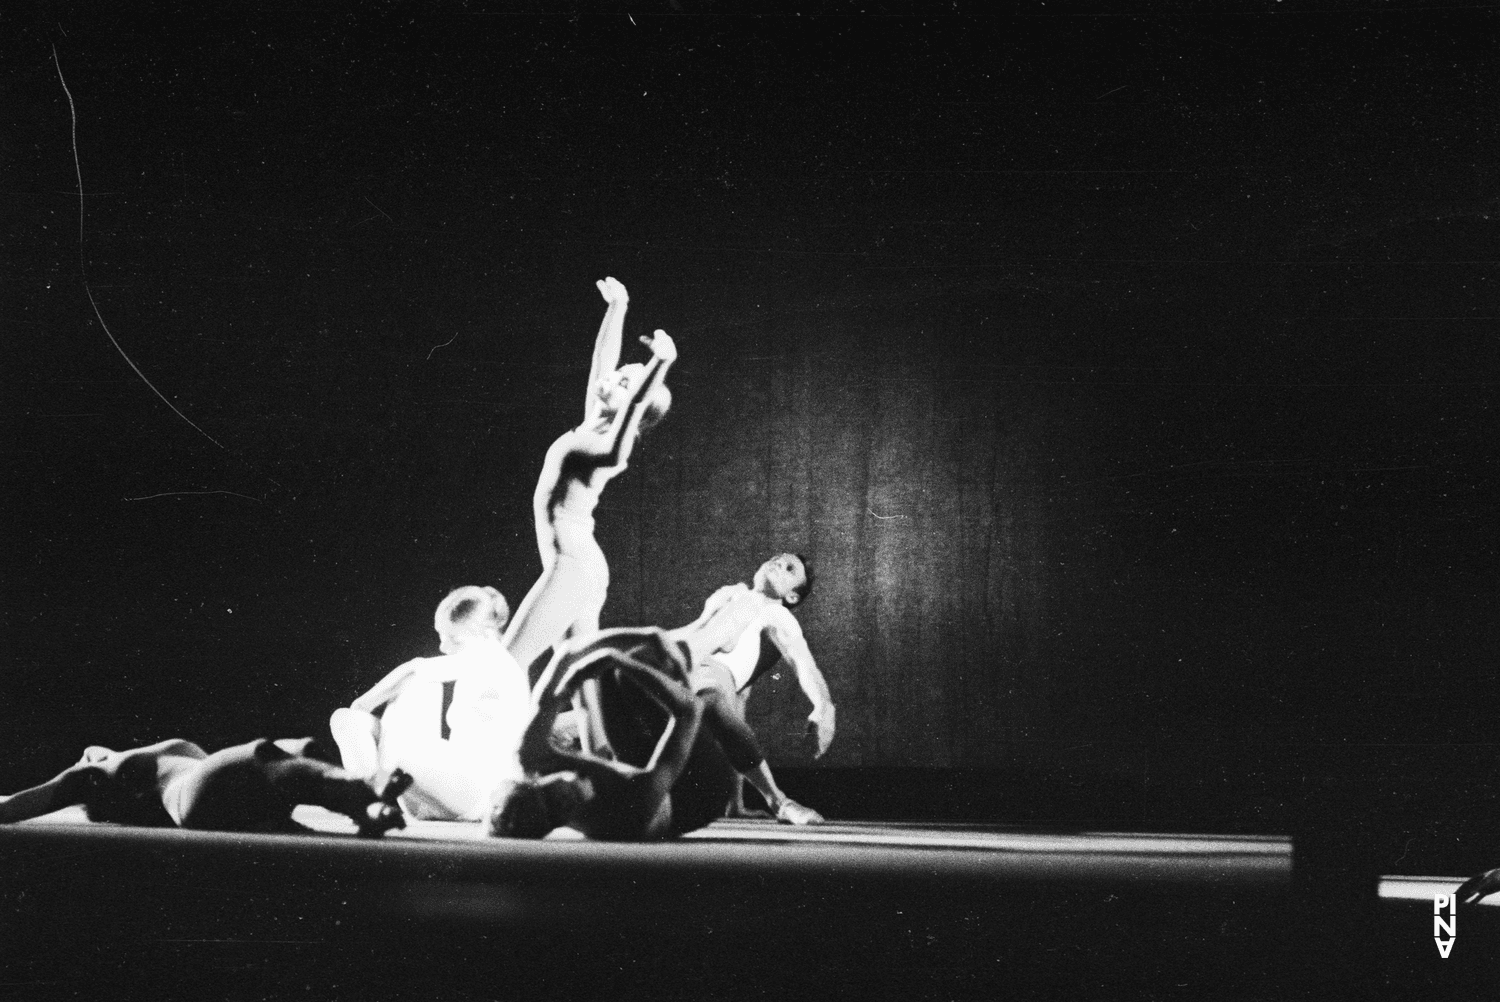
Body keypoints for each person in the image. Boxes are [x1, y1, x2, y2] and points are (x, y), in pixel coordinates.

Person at [489, 627, 816, 841]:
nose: (567, 793)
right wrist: (620, 660)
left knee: (610, 675)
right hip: (696, 796)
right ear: (560, 823)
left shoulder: (530, 755)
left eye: (551, 791)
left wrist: (644, 636)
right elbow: (689, 710)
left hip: (639, 768)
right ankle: (780, 800)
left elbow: (565, 657)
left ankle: (632, 661)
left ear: (534, 779)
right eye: (563, 807)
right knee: (709, 701)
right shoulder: (626, 809)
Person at [502, 277, 677, 675]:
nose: (614, 377)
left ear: (633, 408)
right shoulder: (590, 426)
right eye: (622, 373)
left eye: (626, 381)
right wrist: (618, 307)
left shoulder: (607, 450)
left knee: (505, 666)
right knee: (579, 690)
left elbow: (631, 413)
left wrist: (660, 365)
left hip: (574, 565)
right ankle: (596, 739)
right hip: (579, 564)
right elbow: (603, 360)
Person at [329, 585, 532, 822]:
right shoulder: (477, 660)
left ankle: (374, 792)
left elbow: (415, 668)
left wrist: (364, 703)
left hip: (479, 793)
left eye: (454, 639)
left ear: (486, 632)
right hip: (439, 790)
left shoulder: (493, 659)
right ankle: (367, 802)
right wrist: (358, 713)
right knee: (347, 721)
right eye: (440, 636)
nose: (443, 647)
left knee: (415, 681)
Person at [669, 552, 834, 815]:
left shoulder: (776, 613)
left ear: (792, 596)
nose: (779, 563)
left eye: (789, 569)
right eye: (778, 558)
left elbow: (803, 662)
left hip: (705, 672)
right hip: (676, 663)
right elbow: (735, 718)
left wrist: (823, 706)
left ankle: (778, 801)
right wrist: (735, 803)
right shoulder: (733, 596)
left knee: (714, 700)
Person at [0, 737, 410, 836]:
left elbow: (13, 806)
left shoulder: (122, 771)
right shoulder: (94, 773)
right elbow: (13, 808)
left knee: (282, 771)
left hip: (202, 802)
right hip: (200, 787)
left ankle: (368, 808)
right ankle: (364, 796)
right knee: (280, 759)